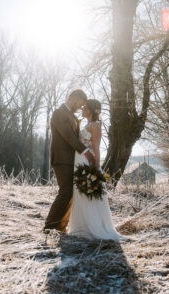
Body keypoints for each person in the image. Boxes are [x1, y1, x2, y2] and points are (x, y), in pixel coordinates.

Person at [67, 98, 124, 241]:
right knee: (80, 193)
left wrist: (97, 168)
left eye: (85, 107)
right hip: (79, 161)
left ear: (92, 110)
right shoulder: (87, 124)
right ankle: (81, 228)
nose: (82, 109)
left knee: (88, 192)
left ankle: (92, 228)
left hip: (88, 162)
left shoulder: (95, 125)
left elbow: (96, 147)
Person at [43, 89, 96, 233]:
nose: (80, 108)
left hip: (71, 160)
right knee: (65, 192)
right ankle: (49, 226)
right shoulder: (59, 113)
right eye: (80, 104)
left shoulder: (71, 116)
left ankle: (60, 226)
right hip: (61, 159)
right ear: (74, 98)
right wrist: (85, 152)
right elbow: (69, 136)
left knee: (71, 192)